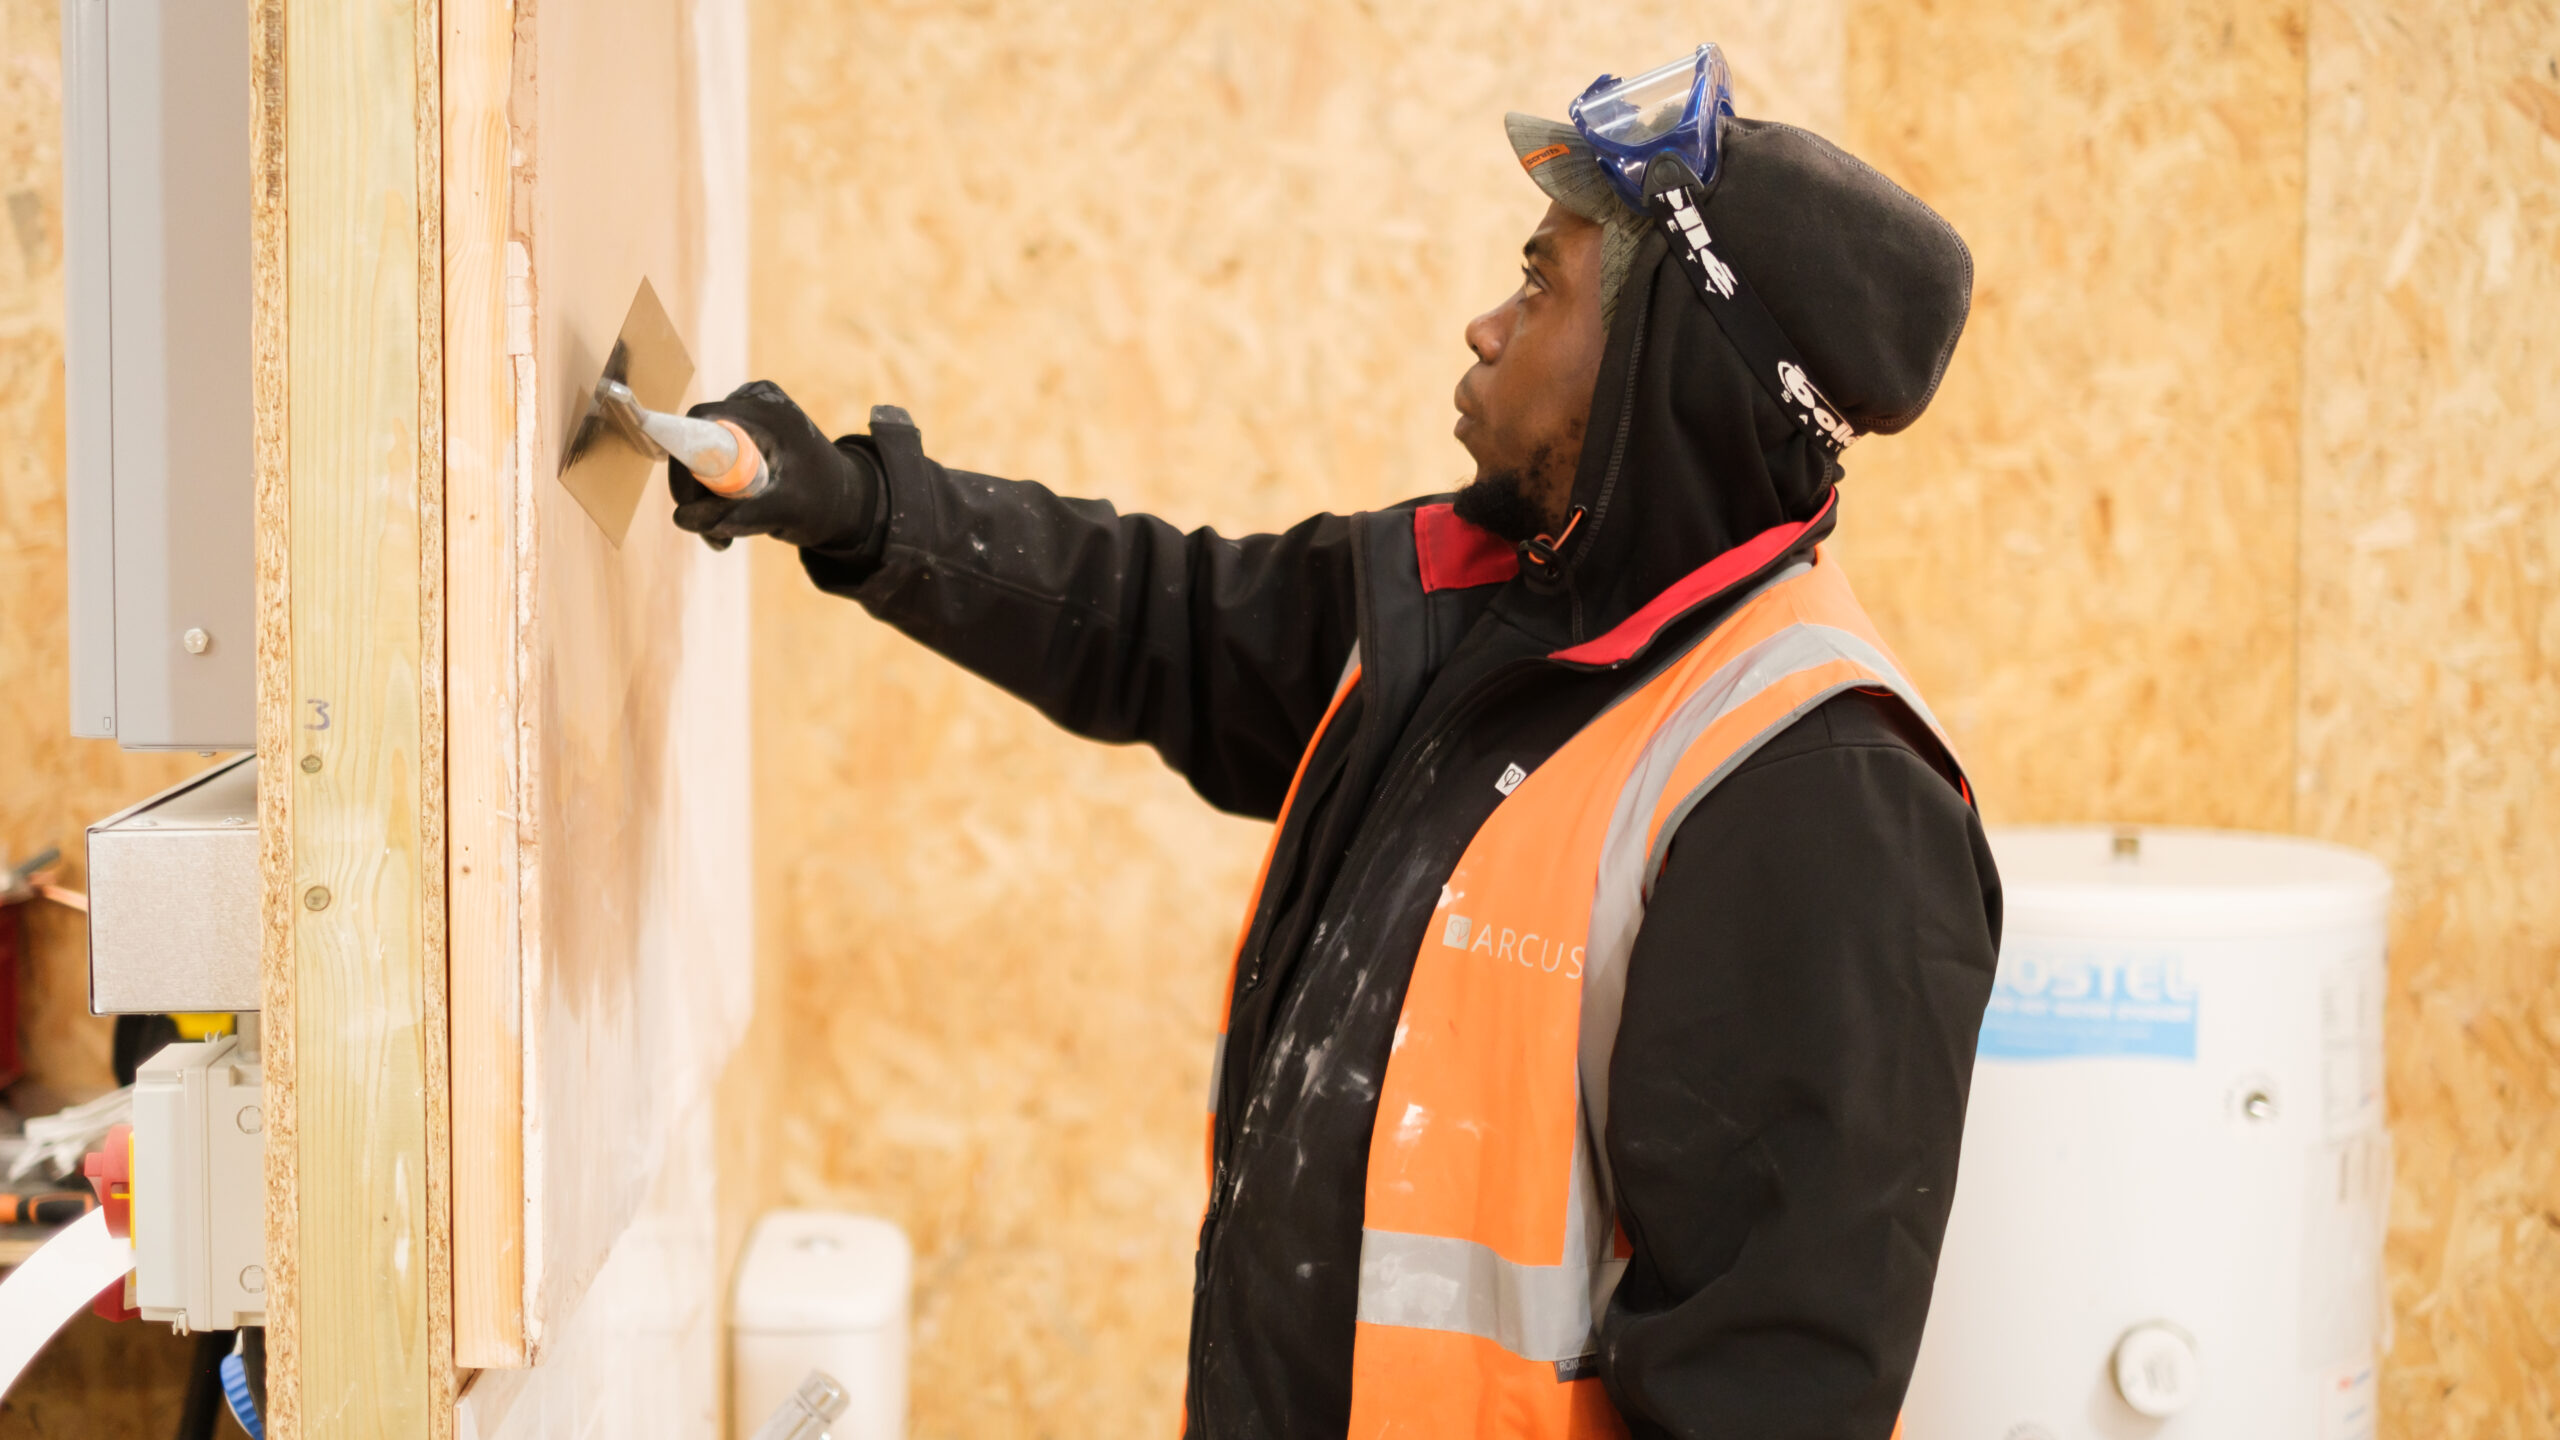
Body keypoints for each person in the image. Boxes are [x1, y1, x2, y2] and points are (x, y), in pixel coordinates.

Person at [672, 46, 1999, 1440]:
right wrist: (858, 510)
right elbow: (1162, 622)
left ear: (1666, 364)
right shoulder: (1461, 610)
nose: (1487, 327)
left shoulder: (1818, 792)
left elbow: (1770, 1400)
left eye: (1540, 283)